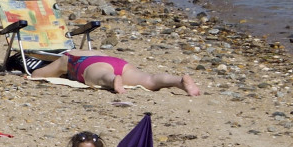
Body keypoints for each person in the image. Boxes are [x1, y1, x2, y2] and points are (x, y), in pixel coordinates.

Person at [31, 49, 201, 96]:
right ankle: (178, 81)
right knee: (148, 79)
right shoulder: (92, 50)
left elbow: (40, 74)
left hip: (87, 64)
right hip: (116, 61)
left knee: (100, 76)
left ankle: (113, 80)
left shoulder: (68, 57)